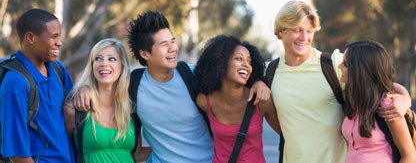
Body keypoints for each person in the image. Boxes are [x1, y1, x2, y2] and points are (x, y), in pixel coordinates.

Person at [73, 10, 271, 162]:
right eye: (163, 45)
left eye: (173, 41)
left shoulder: (193, 75)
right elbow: (108, 84)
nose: (172, 49)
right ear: (145, 54)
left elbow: (234, 77)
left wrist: (259, 81)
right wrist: (85, 88)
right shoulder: (134, 84)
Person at [269, 0, 412, 163]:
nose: (304, 37)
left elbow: (375, 79)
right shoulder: (269, 72)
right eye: (297, 30)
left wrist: (404, 98)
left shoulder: (332, 63)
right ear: (281, 31)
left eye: (309, 31)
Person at [0, 9, 74, 162]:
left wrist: (85, 89)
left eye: (59, 36)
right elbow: (17, 153)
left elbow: (74, 105)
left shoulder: (58, 70)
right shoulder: (15, 83)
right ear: (30, 38)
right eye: (54, 36)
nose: (59, 42)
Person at [194, 35, 281, 163]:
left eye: (249, 61)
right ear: (221, 63)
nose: (246, 65)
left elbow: (285, 133)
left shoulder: (260, 101)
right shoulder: (204, 101)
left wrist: (259, 82)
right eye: (239, 59)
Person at [339, 40, 416, 163]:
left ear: (360, 70)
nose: (339, 66)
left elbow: (410, 156)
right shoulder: (352, 98)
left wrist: (405, 98)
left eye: (346, 64)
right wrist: (405, 96)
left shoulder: (387, 104)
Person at [63, 38, 136, 162]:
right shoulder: (75, 108)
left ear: (122, 66)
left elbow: (140, 153)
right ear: (92, 66)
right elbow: (63, 151)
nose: (104, 63)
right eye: (98, 58)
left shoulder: (131, 108)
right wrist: (83, 88)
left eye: (111, 59)